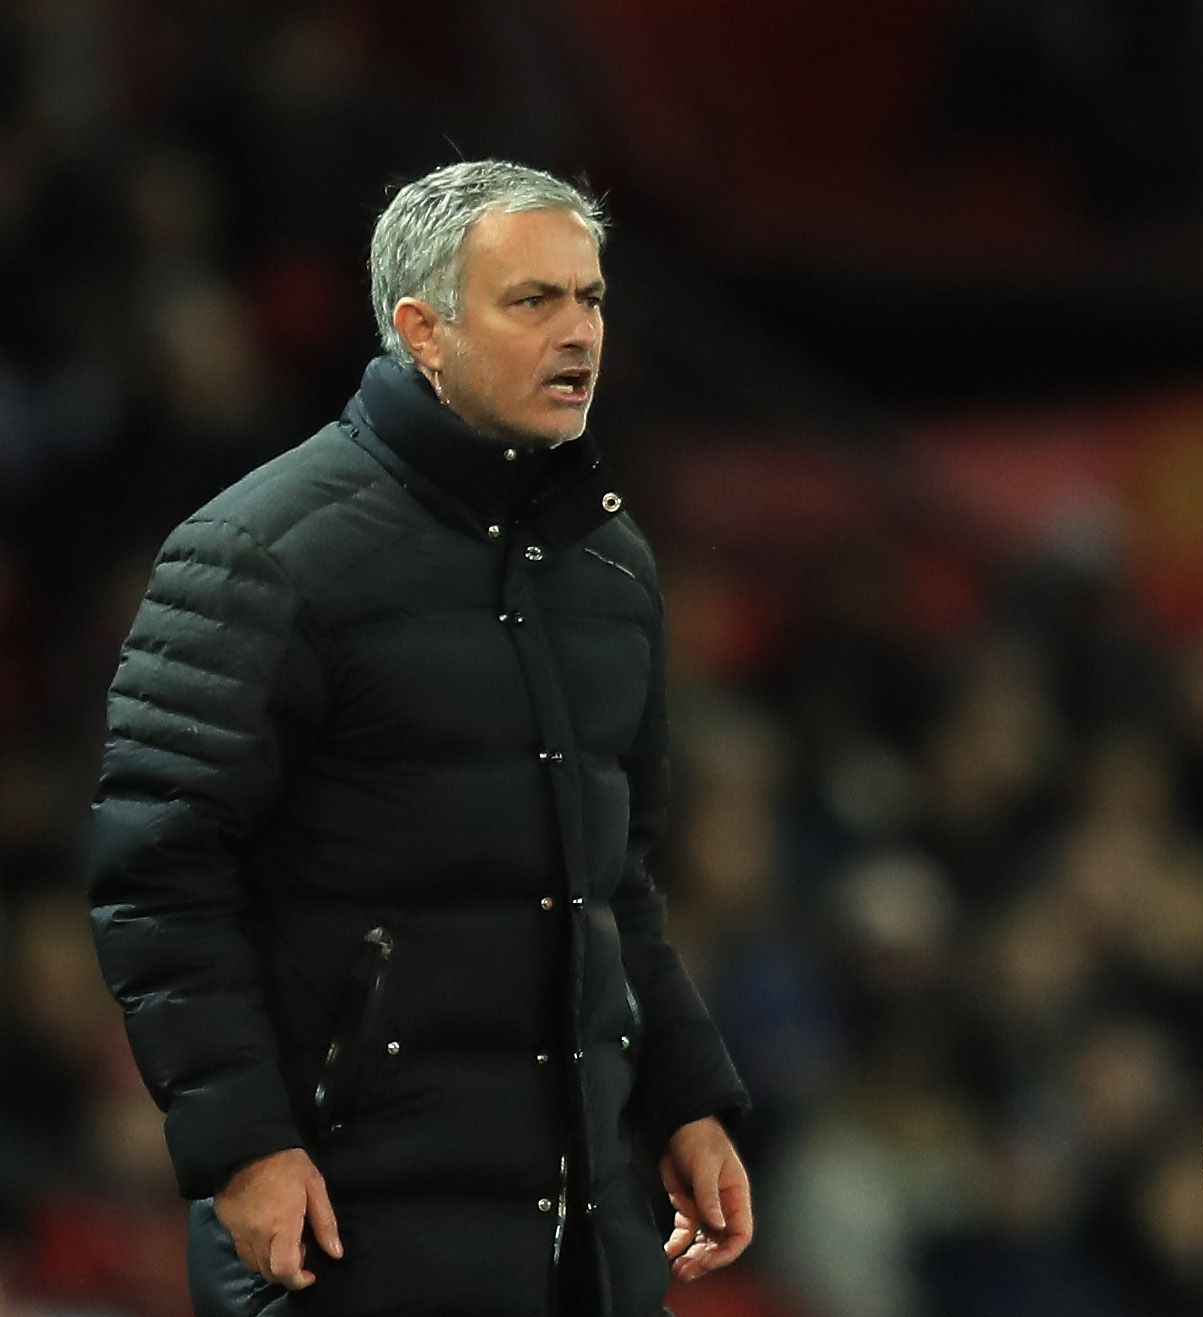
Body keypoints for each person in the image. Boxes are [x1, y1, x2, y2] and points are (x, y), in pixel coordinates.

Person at [86, 161, 753, 1315]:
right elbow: (159, 878)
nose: (578, 332)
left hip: (581, 1230)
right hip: (348, 1216)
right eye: (531, 301)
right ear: (421, 329)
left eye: (589, 299)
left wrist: (683, 1098)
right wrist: (242, 1147)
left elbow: (615, 890)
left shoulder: (611, 570)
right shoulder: (258, 554)